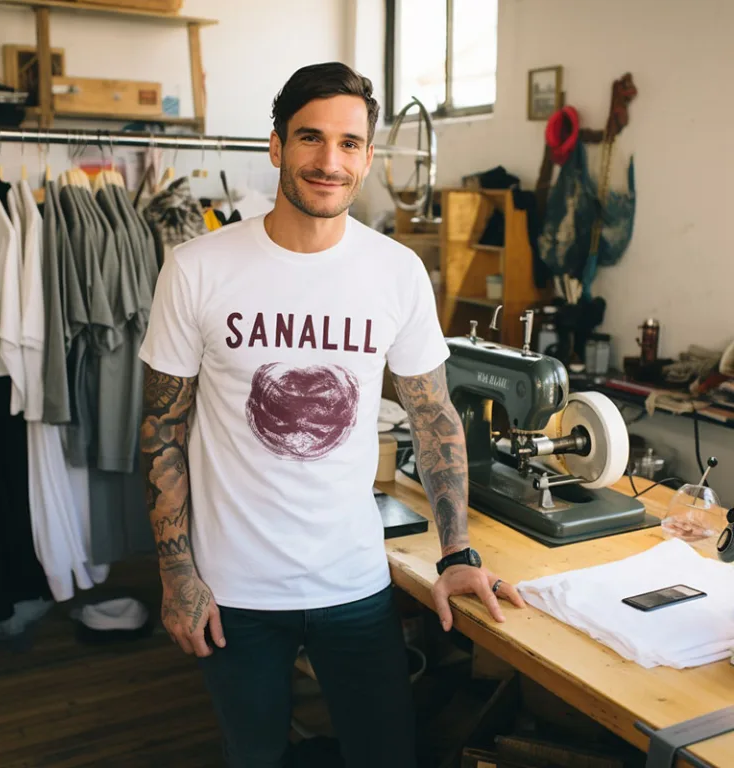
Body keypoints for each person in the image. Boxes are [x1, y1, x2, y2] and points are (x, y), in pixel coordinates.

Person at [138, 61, 525, 768]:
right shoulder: (196, 268)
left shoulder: (396, 271)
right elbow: (160, 431)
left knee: (385, 757)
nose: (329, 161)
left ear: (368, 157)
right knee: (252, 757)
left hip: (354, 583)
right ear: (276, 146)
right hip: (234, 590)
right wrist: (177, 574)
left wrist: (457, 551)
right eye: (310, 138)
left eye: (349, 144)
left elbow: (434, 416)